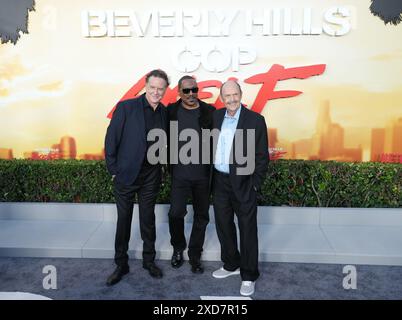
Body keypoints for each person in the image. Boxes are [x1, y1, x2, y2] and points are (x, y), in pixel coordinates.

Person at [104, 69, 169, 286]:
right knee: (124, 220)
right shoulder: (126, 107)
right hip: (126, 174)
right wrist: (114, 170)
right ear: (145, 85)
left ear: (165, 90)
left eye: (160, 89)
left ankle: (148, 261)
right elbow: (111, 139)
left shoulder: (164, 112)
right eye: (152, 87)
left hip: (151, 175)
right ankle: (121, 264)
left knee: (147, 219)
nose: (156, 92)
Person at [211, 80, 269, 296]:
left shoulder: (255, 120)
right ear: (221, 98)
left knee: (247, 229)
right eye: (227, 96)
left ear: (241, 94)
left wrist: (254, 185)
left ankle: (249, 274)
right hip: (219, 181)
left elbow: (262, 157)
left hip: (244, 183)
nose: (232, 99)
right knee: (223, 225)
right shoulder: (216, 117)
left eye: (235, 94)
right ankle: (231, 264)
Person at [167, 76, 215, 273]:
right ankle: (178, 248)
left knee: (201, 216)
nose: (191, 94)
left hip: (203, 175)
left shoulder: (209, 111)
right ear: (179, 92)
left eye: (194, 89)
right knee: (176, 212)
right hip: (179, 173)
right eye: (186, 90)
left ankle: (195, 255)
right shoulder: (170, 111)